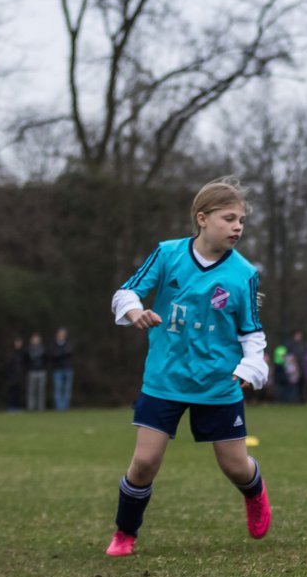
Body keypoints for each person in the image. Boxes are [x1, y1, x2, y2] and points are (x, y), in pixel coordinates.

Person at [105, 176, 272, 557]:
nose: (237, 227)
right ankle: (125, 533)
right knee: (144, 462)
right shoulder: (168, 254)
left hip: (217, 384)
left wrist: (250, 368)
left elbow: (252, 334)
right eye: (229, 218)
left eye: (242, 221)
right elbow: (126, 292)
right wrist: (134, 312)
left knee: (235, 467)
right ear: (202, 218)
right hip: (164, 379)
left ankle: (255, 492)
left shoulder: (243, 273)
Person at [50, 327, 74, 411]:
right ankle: (59, 408)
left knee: (66, 389)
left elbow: (69, 353)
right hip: (57, 369)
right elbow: (53, 355)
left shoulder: (68, 344)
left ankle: (65, 407)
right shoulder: (54, 345)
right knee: (58, 389)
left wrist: (61, 354)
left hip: (67, 369)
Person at [26, 332, 47, 411]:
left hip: (41, 372)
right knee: (31, 391)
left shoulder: (43, 349)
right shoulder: (28, 350)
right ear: (31, 340)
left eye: (37, 339)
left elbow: (46, 360)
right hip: (32, 372)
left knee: (41, 391)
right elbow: (26, 360)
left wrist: (44, 368)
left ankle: (40, 408)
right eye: (34, 339)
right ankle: (31, 408)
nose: (35, 340)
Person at [4, 336, 25, 412]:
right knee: (11, 393)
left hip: (19, 377)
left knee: (18, 393)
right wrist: (9, 375)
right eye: (17, 343)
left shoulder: (22, 353)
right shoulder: (11, 354)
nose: (18, 344)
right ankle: (11, 408)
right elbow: (7, 366)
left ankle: (18, 408)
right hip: (12, 377)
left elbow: (24, 364)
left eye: (19, 343)